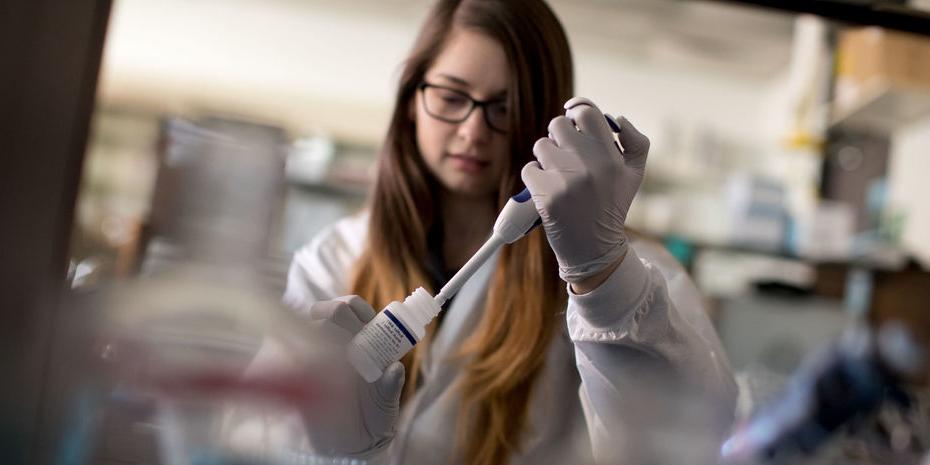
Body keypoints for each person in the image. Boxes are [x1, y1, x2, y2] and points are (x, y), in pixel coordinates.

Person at [250, 1, 738, 464]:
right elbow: (246, 434)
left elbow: (682, 443)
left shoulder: (627, 271)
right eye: (451, 96)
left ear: (545, 121)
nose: (473, 131)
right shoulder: (333, 257)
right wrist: (329, 448)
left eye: (504, 108)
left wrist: (602, 276)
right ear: (412, 100)